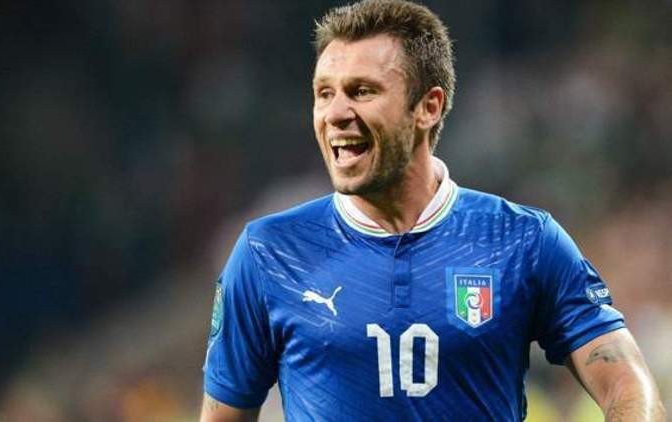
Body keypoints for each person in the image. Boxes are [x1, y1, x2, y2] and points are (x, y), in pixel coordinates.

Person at [200, 0, 666, 420]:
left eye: (361, 91)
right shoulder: (269, 253)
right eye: (324, 93)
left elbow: (628, 383)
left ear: (428, 107)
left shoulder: (523, 240)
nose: (335, 113)